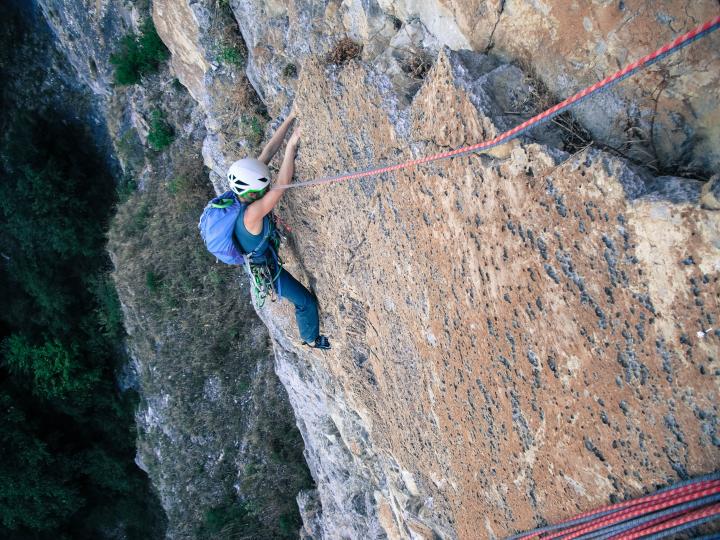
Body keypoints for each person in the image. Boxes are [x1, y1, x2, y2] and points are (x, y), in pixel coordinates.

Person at [228, 112, 331, 350]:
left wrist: (290, 119)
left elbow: (269, 150)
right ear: (252, 193)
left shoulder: (243, 189)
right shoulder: (252, 214)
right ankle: (311, 339)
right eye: (263, 188)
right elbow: (282, 184)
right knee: (305, 301)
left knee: (304, 300)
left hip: (262, 254)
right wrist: (291, 147)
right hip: (266, 270)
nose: (266, 189)